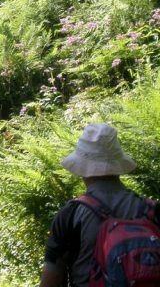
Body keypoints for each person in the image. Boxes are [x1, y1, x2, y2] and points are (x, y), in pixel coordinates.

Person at [39, 123, 160, 287]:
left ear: (82, 168)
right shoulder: (152, 210)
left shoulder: (71, 214)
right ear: (118, 167)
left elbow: (52, 278)